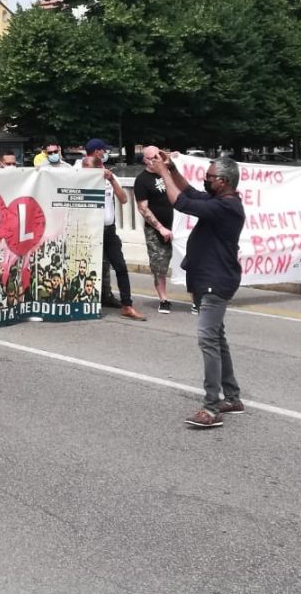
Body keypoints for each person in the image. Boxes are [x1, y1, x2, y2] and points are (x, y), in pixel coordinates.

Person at [144, 150, 246, 429]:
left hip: (216, 280)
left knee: (207, 340)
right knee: (217, 338)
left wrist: (162, 173)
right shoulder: (218, 199)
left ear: (224, 181)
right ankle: (232, 397)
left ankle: (211, 408)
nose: (205, 179)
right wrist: (172, 168)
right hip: (207, 278)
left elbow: (180, 202)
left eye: (210, 177)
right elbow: (188, 191)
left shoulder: (226, 207)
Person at [83, 139, 143, 320]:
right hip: (90, 231)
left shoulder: (108, 176)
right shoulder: (79, 176)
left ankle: (127, 305)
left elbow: (124, 199)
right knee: (88, 268)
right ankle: (86, 303)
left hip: (109, 230)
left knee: (120, 266)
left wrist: (111, 180)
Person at [134, 158, 176, 313]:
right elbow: (143, 208)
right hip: (156, 230)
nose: (155, 161)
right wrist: (160, 228)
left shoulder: (169, 175)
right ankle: (163, 299)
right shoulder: (142, 180)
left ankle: (196, 299)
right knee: (159, 265)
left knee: (189, 263)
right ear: (145, 160)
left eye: (158, 157)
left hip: (177, 226)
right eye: (152, 158)